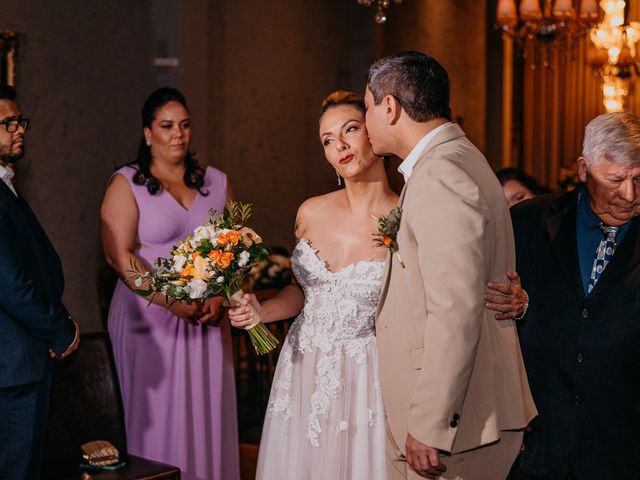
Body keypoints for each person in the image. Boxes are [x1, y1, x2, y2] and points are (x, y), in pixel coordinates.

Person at [228, 91, 527, 480]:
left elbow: (451, 292)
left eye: (350, 129)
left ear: (373, 132)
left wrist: (516, 301)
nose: (341, 146)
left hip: (371, 373)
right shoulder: (310, 211)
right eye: (328, 140)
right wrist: (262, 311)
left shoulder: (408, 212)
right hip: (303, 368)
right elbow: (304, 291)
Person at [365, 51, 537, 480]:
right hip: (468, 414)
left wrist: (429, 422)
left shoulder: (440, 174)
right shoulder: (458, 158)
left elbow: (455, 308)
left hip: (457, 426)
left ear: (389, 107)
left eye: (367, 106)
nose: (367, 120)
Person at [100, 87, 239, 480]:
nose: (178, 134)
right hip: (150, 321)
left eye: (185, 125)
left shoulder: (215, 182)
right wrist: (168, 300)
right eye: (166, 126)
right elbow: (119, 255)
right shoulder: (126, 183)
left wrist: (221, 295)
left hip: (207, 320)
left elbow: (236, 245)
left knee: (207, 414)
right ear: (148, 133)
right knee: (158, 420)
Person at [508, 111, 640, 480]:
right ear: (583, 169)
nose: (629, 195)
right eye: (614, 180)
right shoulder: (527, 223)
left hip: (623, 450)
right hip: (537, 449)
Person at [0, 84, 79, 480]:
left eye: (20, 121)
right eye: (8, 123)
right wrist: (59, 330)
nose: (19, 130)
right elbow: (9, 281)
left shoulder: (6, 185)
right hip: (13, 367)